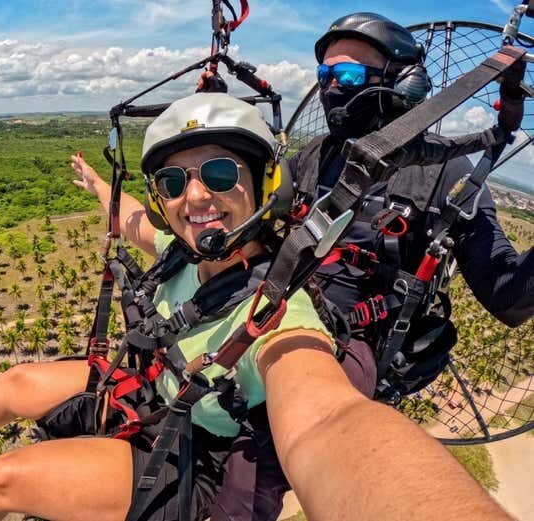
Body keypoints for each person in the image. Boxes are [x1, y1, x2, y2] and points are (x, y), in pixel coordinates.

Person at [0, 93, 333, 521]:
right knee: (17, 384)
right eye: (173, 182)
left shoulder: (282, 320)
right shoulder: (184, 254)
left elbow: (328, 415)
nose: (193, 197)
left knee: (4, 479)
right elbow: (130, 220)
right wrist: (98, 183)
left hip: (195, 457)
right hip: (156, 393)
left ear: (266, 183)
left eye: (218, 174)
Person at [202, 12, 533, 521]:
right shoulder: (315, 156)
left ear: (404, 84)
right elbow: (251, 217)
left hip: (346, 350)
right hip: (272, 311)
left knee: (251, 473)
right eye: (325, 75)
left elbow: (507, 295)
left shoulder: (446, 173)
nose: (332, 87)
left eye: (349, 75)